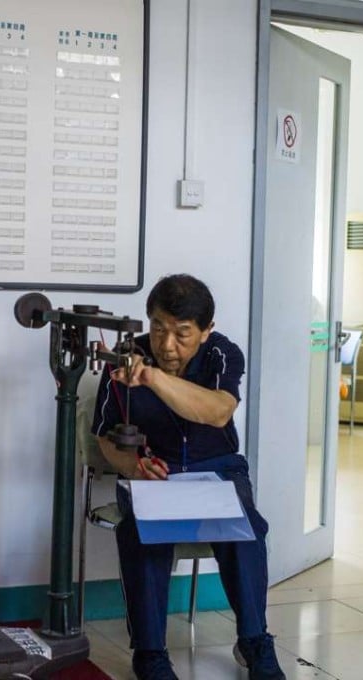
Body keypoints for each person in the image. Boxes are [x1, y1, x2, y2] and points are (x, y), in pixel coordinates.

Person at [92, 274, 285, 680]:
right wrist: (131, 467)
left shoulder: (222, 354)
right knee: (140, 535)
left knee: (247, 530)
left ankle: (255, 642)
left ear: (205, 330)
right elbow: (105, 433)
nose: (165, 345)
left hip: (216, 468)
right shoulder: (127, 356)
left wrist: (154, 378)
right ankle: (149, 654)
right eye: (158, 329)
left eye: (182, 334)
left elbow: (217, 411)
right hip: (152, 472)